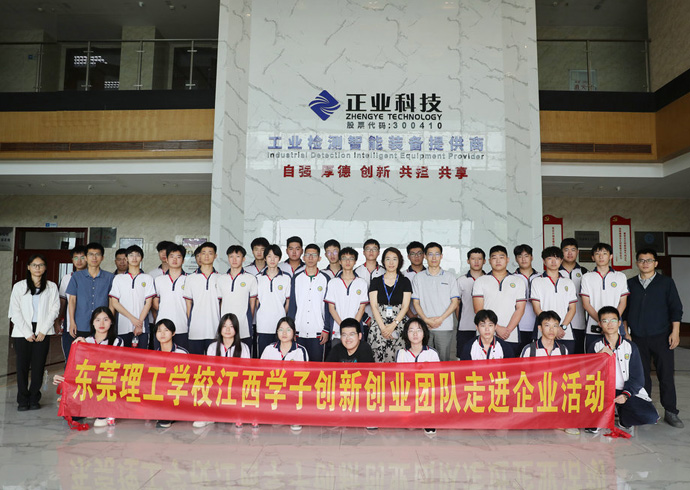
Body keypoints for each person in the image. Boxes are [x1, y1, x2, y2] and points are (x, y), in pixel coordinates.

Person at [624, 248, 684, 428]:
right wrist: (626, 333)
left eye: (649, 260)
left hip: (662, 336)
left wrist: (675, 332)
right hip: (637, 338)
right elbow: (624, 312)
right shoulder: (630, 284)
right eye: (642, 260)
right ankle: (645, 410)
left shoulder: (666, 283)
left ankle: (671, 411)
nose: (645, 263)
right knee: (641, 377)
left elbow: (676, 308)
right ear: (637, 263)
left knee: (665, 375)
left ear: (655, 263)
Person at [588, 306, 659, 433]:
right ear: (600, 324)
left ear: (619, 323)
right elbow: (588, 374)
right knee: (590, 425)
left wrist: (626, 395)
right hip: (602, 392)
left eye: (613, 320)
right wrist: (598, 357)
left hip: (625, 391)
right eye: (605, 321)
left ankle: (624, 417)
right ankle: (605, 413)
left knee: (650, 417)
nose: (609, 324)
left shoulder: (630, 346)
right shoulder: (595, 346)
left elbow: (638, 377)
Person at [9, 254, 60, 411]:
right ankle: (22, 400)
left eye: (41, 265)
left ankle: (34, 398)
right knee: (22, 366)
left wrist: (43, 330)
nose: (37, 268)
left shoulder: (51, 287)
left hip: (43, 329)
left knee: (38, 366)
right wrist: (26, 332)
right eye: (34, 265)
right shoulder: (19, 286)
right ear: (28, 267)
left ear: (45, 268)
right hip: (22, 331)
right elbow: (14, 311)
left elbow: (55, 309)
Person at [193, 313, 251, 430]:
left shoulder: (243, 347)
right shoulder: (213, 347)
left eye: (231, 326)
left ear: (236, 329)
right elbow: (209, 370)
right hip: (217, 383)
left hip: (236, 384)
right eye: (224, 326)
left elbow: (246, 372)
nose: (227, 329)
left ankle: (238, 414)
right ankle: (208, 416)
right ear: (220, 328)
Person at [72, 307, 124, 427]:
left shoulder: (117, 341)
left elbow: (110, 364)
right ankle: (91, 406)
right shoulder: (87, 340)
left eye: (105, 319)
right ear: (92, 323)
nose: (101, 324)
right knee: (72, 415)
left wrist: (87, 347)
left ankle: (106, 410)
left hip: (107, 382)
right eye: (97, 320)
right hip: (90, 382)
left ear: (111, 322)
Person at [472, 245, 525, 354]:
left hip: (511, 335)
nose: (498, 261)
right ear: (489, 261)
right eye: (494, 258)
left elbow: (520, 309)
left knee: (510, 364)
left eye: (501, 257)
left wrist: (507, 330)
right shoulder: (480, 281)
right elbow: (478, 310)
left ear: (507, 259)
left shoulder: (518, 281)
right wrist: (497, 328)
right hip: (486, 335)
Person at [65, 242, 114, 360]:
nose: (94, 257)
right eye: (91, 254)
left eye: (97, 254)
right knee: (80, 358)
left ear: (102, 258)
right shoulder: (76, 277)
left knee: (100, 358)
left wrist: (110, 322)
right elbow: (72, 301)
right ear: (86, 257)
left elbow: (112, 302)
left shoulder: (110, 277)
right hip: (81, 324)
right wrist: (72, 322)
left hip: (102, 326)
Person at [411, 242, 459, 361]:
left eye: (437, 254)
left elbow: (455, 302)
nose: (434, 258)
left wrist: (440, 319)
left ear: (441, 256)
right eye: (430, 254)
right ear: (425, 256)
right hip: (424, 326)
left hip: (444, 326)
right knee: (424, 360)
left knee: (443, 360)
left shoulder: (450, 277)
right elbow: (416, 303)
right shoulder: (418, 277)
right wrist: (426, 319)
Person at [395, 317, 439, 436]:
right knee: (410, 427)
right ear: (406, 334)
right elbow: (399, 377)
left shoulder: (432, 353)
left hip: (427, 395)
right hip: (408, 394)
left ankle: (428, 418)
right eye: (411, 330)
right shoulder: (401, 353)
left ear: (424, 333)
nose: (415, 334)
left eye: (419, 330)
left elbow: (437, 379)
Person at [580, 242, 629, 349]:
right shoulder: (586, 277)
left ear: (610, 256)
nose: (601, 256)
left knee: (617, 357)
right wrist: (602, 322)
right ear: (593, 257)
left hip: (615, 329)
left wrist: (611, 322)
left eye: (604, 253)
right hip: (593, 328)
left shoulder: (620, 276)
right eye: (597, 254)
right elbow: (586, 304)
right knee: (593, 357)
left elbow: (623, 303)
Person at [531, 246, 577, 355]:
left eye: (556, 258)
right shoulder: (537, 281)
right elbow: (536, 308)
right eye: (549, 258)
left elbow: (572, 309)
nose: (553, 262)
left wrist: (562, 327)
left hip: (565, 333)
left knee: (566, 363)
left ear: (561, 260)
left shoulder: (568, 282)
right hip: (543, 333)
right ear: (544, 261)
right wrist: (551, 327)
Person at [288, 244, 330, 361]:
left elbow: (328, 307)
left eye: (314, 255)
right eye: (308, 255)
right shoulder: (296, 278)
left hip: (318, 331)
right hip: (299, 331)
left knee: (317, 366)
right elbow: (292, 306)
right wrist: (291, 329)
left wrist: (326, 329)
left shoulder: (325, 279)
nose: (310, 258)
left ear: (319, 258)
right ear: (303, 257)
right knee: (299, 365)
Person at [368, 247, 411, 362]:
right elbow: (374, 306)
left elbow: (405, 306)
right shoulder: (376, 281)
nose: (391, 262)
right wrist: (383, 328)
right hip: (379, 325)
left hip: (399, 324)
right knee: (378, 360)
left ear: (399, 261)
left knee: (399, 359)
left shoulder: (405, 281)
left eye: (394, 259)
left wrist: (393, 325)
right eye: (388, 259)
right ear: (383, 261)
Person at [108, 245, 155, 348]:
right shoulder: (118, 278)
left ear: (141, 258)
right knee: (123, 356)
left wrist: (139, 323)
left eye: (137, 255)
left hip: (142, 328)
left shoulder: (147, 278)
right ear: (126, 258)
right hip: (122, 327)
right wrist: (133, 319)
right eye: (131, 255)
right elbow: (115, 303)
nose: (134, 258)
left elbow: (148, 303)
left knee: (141, 356)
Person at [324, 247, 369, 347]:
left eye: (351, 258)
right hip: (337, 332)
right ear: (340, 261)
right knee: (337, 356)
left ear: (355, 261)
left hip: (356, 333)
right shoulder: (333, 283)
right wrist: (343, 328)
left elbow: (361, 309)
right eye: (344, 258)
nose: (347, 261)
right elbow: (331, 309)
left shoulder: (361, 283)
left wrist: (352, 329)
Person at [217, 245, 258, 351]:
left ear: (243, 259)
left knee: (244, 355)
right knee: (226, 356)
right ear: (228, 258)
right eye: (231, 256)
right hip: (226, 328)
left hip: (244, 327)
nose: (234, 260)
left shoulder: (250, 278)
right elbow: (220, 303)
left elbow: (252, 303)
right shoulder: (221, 279)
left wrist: (248, 320)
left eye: (238, 256)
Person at [183, 242, 221, 355]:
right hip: (195, 330)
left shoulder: (221, 278)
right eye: (203, 253)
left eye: (210, 253)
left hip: (215, 329)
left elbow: (222, 304)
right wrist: (191, 324)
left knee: (213, 362)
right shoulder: (190, 278)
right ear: (199, 256)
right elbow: (188, 304)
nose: (206, 256)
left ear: (215, 256)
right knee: (195, 363)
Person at [255, 244, 291, 356]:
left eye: (275, 257)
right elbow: (256, 301)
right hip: (262, 325)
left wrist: (282, 314)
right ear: (265, 258)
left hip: (280, 326)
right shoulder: (258, 278)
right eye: (269, 256)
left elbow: (288, 301)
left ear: (279, 259)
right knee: (263, 356)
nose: (272, 260)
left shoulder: (286, 278)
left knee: (279, 355)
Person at [153, 244, 189, 351]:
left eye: (178, 257)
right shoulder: (159, 280)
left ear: (183, 260)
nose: (175, 260)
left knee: (181, 358)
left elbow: (190, 305)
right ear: (167, 259)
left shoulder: (189, 279)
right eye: (172, 256)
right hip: (162, 329)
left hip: (182, 327)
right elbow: (155, 303)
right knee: (160, 358)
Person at [154, 318, 188, 429]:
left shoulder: (181, 353)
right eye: (159, 331)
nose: (162, 334)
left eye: (166, 330)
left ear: (173, 333)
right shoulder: (153, 355)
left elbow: (188, 377)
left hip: (177, 390)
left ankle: (168, 413)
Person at [58, 245, 87, 362]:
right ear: (72, 260)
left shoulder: (93, 277)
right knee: (70, 357)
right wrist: (58, 320)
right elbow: (63, 301)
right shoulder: (66, 278)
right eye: (76, 258)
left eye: (82, 257)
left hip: (88, 324)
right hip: (70, 323)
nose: (79, 261)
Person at [456, 247, 486, 359]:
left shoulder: (489, 279)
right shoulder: (461, 280)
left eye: (479, 259)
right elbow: (457, 305)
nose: (476, 262)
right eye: (473, 259)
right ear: (468, 261)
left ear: (484, 261)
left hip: (486, 326)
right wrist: (461, 320)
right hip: (465, 326)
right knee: (464, 357)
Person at [560, 238, 588, 354]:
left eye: (573, 250)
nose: (570, 253)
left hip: (579, 323)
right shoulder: (555, 271)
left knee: (578, 356)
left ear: (577, 252)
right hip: (559, 324)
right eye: (566, 250)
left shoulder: (584, 272)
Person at [354, 238, 384, 340]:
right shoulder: (356, 272)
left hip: (381, 322)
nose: (371, 252)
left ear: (379, 252)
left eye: (374, 249)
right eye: (368, 249)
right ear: (363, 252)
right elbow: (354, 300)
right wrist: (366, 318)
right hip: (361, 321)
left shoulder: (385, 272)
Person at [513, 244, 539, 353]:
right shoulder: (511, 278)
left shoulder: (541, 277)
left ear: (532, 257)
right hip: (517, 326)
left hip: (538, 326)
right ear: (516, 259)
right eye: (520, 256)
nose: (523, 259)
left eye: (526, 256)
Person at [403, 241, 426, 317]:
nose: (416, 256)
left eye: (419, 253)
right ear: (408, 256)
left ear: (424, 255)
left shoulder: (430, 275)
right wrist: (413, 317)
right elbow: (402, 300)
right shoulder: (403, 275)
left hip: (429, 317)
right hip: (408, 319)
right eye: (413, 254)